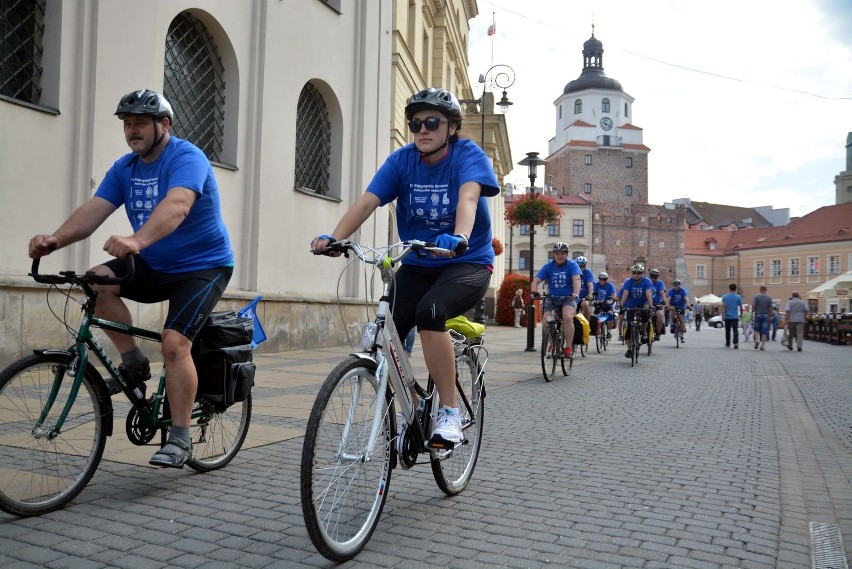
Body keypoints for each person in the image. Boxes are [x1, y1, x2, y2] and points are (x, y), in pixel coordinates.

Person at [28, 89, 235, 468]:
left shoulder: (188, 158)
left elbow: (178, 204)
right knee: (96, 279)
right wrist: (54, 240)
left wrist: (136, 240)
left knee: (174, 344)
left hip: (203, 267)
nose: (132, 130)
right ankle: (134, 363)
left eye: (140, 123)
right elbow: (94, 210)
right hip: (154, 264)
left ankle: (180, 437)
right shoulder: (125, 168)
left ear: (164, 125)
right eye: (127, 124)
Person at [311, 87, 499, 448]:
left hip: (467, 261)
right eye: (415, 124)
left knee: (431, 312)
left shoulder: (467, 155)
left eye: (432, 122)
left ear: (453, 128)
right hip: (418, 261)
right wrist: (334, 238)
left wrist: (459, 236)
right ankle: (413, 409)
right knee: (386, 332)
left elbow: (469, 197)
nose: (422, 130)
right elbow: (368, 201)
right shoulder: (402, 161)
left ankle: (449, 412)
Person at [531, 242, 582, 356]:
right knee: (546, 321)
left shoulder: (572, 265)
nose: (560, 256)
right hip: (552, 298)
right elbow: (536, 280)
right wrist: (534, 291)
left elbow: (577, 279)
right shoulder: (548, 266)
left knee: (567, 317)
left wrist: (575, 293)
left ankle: (568, 347)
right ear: (554, 254)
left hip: (568, 298)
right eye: (557, 253)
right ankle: (552, 344)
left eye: (562, 253)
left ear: (567, 254)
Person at [619, 263, 655, 359]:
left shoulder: (647, 281)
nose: (636, 274)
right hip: (631, 304)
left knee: (645, 313)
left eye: (639, 273)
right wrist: (621, 305)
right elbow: (625, 294)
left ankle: (643, 331)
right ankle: (629, 349)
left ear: (642, 273)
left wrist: (651, 306)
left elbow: (648, 294)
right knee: (629, 327)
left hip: (643, 303)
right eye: (634, 272)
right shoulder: (628, 282)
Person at [591, 271, 618, 339]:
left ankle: (609, 332)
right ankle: (597, 331)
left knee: (610, 314)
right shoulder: (596, 285)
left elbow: (613, 294)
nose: (602, 281)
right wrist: (591, 299)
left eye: (604, 279)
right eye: (601, 279)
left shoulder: (610, 285)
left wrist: (613, 299)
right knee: (595, 317)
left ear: (606, 279)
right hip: (598, 304)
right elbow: (592, 293)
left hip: (607, 304)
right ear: (599, 279)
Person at [720, 283, 743, 348]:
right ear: (735, 289)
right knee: (735, 330)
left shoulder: (725, 297)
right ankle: (735, 343)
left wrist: (723, 316)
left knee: (727, 330)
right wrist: (741, 315)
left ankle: (728, 343)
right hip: (735, 316)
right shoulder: (738, 297)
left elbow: (724, 307)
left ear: (729, 288)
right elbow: (741, 307)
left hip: (728, 316)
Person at [752, 285, 773, 350]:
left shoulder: (756, 296)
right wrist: (770, 316)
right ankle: (763, 345)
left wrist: (752, 313)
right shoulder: (769, 298)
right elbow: (770, 308)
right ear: (765, 290)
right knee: (765, 331)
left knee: (756, 329)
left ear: (760, 289)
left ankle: (757, 340)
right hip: (766, 315)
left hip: (758, 314)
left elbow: (754, 305)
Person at [575, 256, 595, 321]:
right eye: (579, 266)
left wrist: (590, 295)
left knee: (585, 304)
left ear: (585, 265)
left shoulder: (588, 273)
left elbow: (590, 284)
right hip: (572, 298)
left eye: (582, 266)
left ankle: (587, 323)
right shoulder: (572, 272)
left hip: (583, 298)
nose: (581, 268)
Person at [648, 268, 667, 337]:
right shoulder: (647, 282)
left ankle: (658, 332)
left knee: (660, 314)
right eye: (652, 277)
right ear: (650, 276)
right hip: (646, 303)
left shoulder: (660, 283)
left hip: (656, 304)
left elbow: (662, 293)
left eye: (655, 277)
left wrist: (664, 301)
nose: (653, 279)